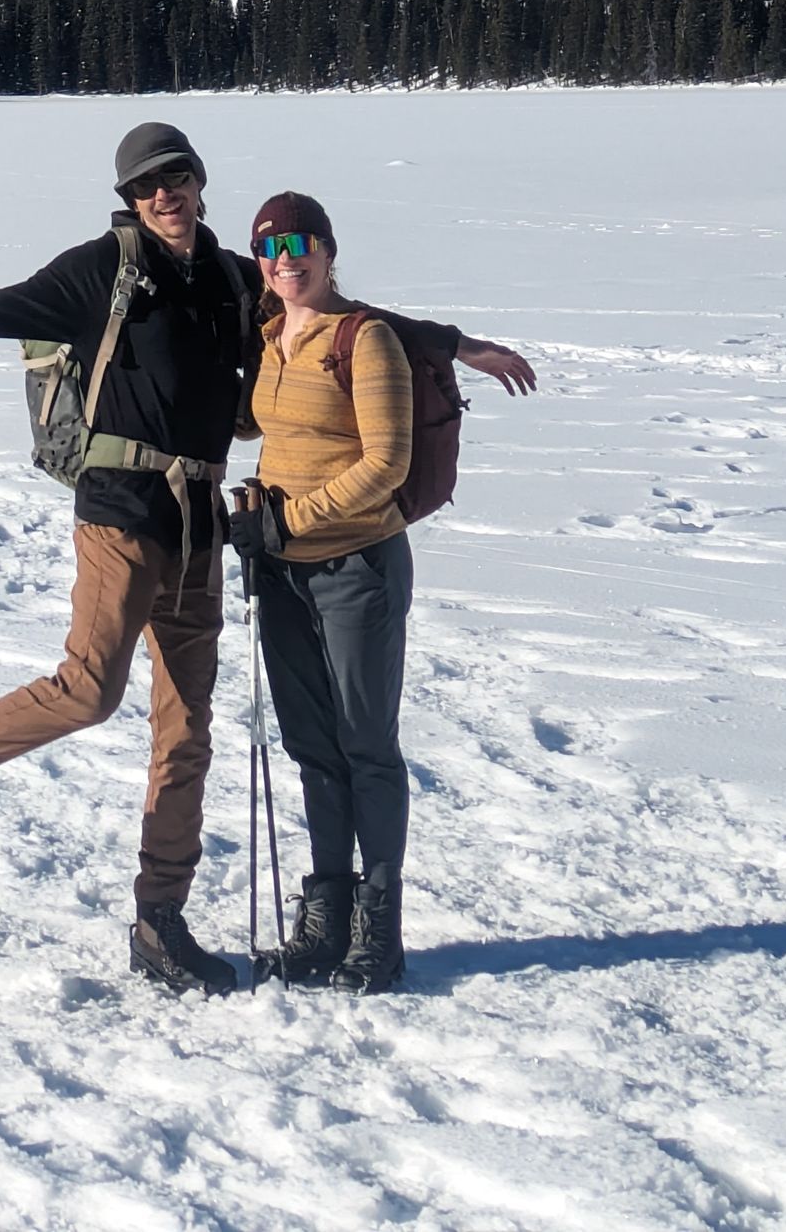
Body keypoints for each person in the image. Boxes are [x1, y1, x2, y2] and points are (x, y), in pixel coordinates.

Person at [0, 125, 529, 1000]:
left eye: (174, 178)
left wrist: (454, 342)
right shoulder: (102, 269)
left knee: (187, 730)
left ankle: (159, 919)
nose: (162, 195)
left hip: (201, 522)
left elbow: (333, 307)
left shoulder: (231, 275)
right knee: (88, 689)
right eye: (144, 186)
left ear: (199, 183)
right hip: (122, 514)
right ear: (129, 200)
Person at [226, 190, 535, 995]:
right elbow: (264, 429)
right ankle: (325, 919)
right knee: (311, 748)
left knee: (366, 745)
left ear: (329, 250)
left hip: (356, 568)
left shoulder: (367, 341)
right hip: (282, 573)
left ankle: (379, 927)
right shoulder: (269, 336)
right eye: (269, 246)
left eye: (300, 242)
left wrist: (290, 521)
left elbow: (386, 467)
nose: (285, 257)